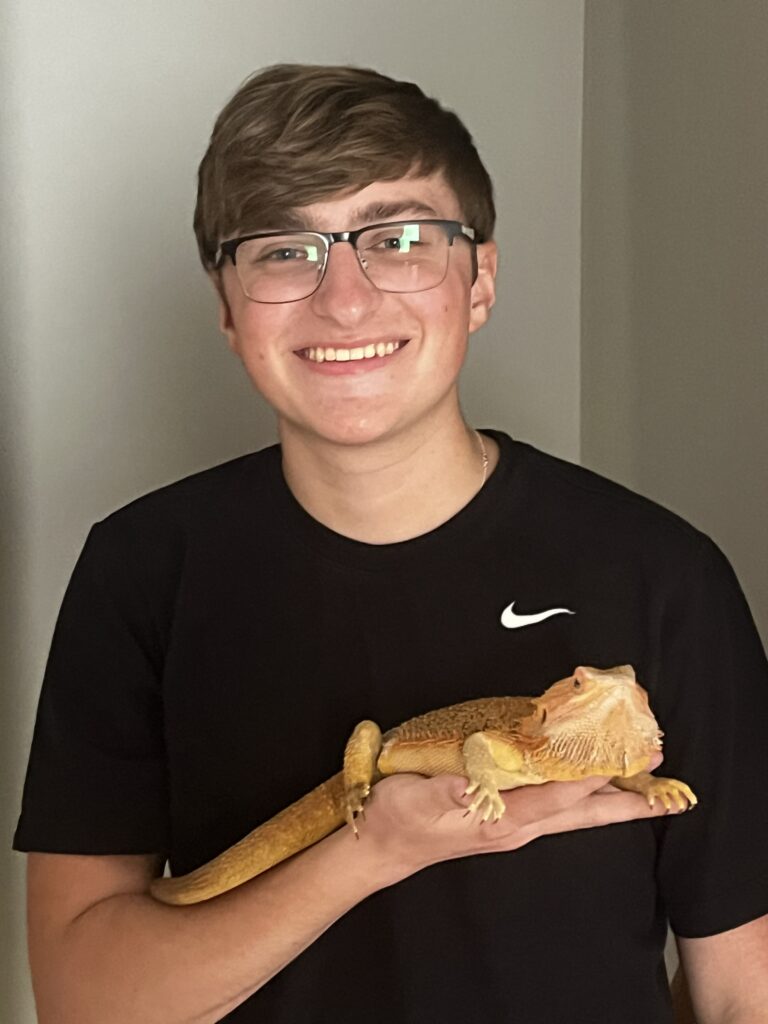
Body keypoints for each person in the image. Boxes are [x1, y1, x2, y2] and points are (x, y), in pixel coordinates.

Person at [13, 64, 768, 1024]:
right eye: (285, 251)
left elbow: (746, 991)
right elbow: (85, 1003)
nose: (346, 300)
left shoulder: (665, 574)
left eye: (401, 239)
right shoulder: (141, 569)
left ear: (479, 278)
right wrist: (374, 850)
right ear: (228, 304)